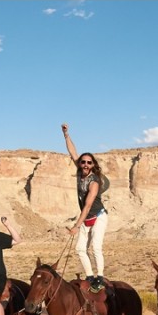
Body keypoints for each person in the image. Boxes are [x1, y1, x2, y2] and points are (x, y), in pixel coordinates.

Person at [62, 122, 109, 293]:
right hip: (86, 217)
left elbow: (88, 205)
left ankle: (100, 277)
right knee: (80, 249)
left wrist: (76, 226)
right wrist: (66, 135)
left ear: (93, 164)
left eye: (89, 162)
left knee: (96, 246)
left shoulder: (94, 181)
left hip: (98, 215)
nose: (86, 164)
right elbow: (72, 151)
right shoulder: (80, 170)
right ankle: (90, 276)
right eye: (83, 162)